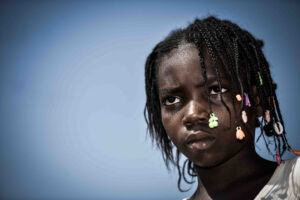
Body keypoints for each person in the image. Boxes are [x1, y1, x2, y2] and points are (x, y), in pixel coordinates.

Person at [144, 16, 300, 200]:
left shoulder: (294, 181)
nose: (193, 114)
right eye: (171, 100)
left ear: (257, 101)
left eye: (216, 90)